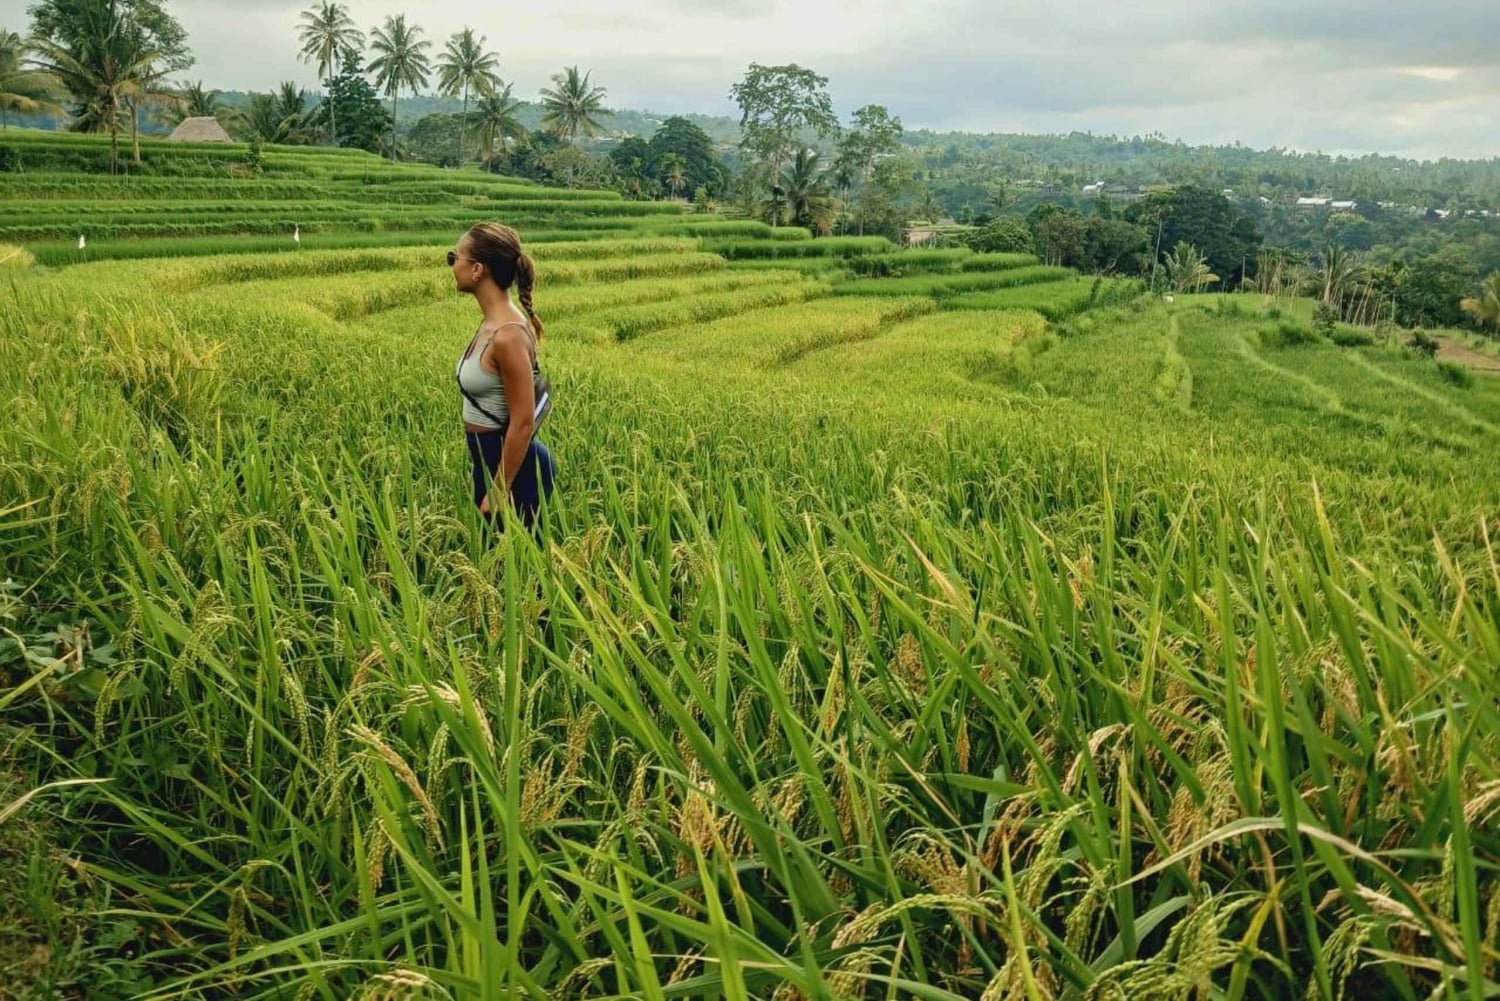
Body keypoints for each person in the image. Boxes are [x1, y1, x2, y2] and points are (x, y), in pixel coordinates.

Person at [451, 222, 557, 530]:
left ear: (477, 269)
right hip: (491, 462)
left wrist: (499, 488)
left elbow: (523, 422)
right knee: (491, 552)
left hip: (514, 473)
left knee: (515, 557)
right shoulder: (492, 324)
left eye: (454, 258)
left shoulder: (508, 335)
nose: (452, 266)